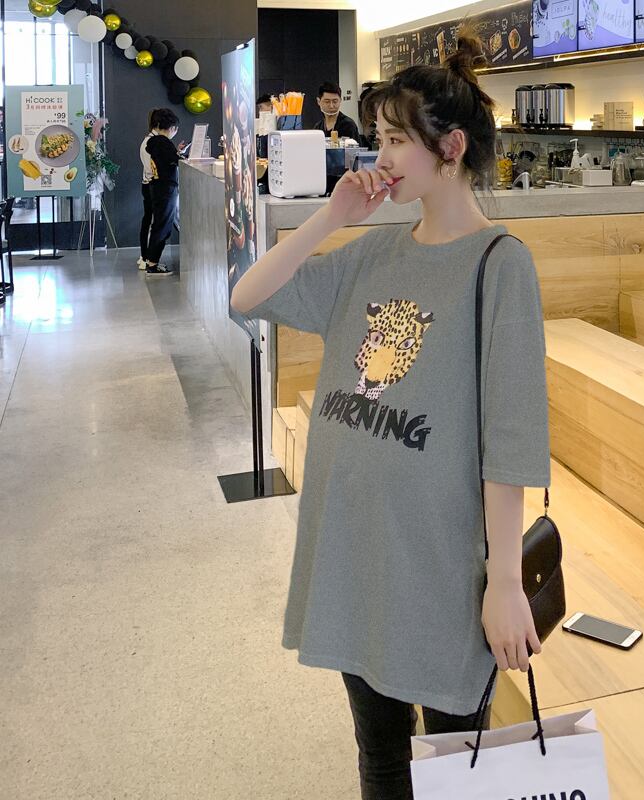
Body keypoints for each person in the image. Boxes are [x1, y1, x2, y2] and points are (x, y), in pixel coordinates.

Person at [231, 25, 550, 800]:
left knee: (453, 763)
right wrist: (329, 218)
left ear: (451, 147)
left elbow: (510, 437)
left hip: (439, 566)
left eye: (397, 140)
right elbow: (248, 297)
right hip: (356, 552)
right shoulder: (372, 252)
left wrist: (506, 583)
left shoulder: (499, 265)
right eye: (378, 138)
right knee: (379, 754)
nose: (381, 156)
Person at [143, 109, 184, 276]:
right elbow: (175, 160)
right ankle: (153, 264)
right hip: (166, 188)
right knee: (163, 226)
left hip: (157, 186)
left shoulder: (153, 142)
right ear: (171, 127)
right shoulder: (163, 142)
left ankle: (151, 262)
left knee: (159, 225)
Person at [137, 110, 158, 271]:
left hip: (147, 184)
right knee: (150, 222)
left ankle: (144, 256)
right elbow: (152, 168)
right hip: (151, 185)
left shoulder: (148, 140)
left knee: (148, 221)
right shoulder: (151, 142)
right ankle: (146, 257)